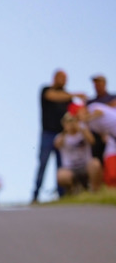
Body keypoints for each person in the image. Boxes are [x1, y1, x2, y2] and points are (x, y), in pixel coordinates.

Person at [33, 70, 87, 203]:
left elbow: (75, 112)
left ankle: (62, 196)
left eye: (65, 78)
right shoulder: (46, 90)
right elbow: (53, 96)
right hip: (47, 134)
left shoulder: (68, 97)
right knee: (43, 164)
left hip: (62, 135)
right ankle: (35, 195)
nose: (63, 80)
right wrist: (75, 94)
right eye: (61, 77)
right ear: (55, 78)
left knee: (61, 165)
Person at [53, 113, 96, 196]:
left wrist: (81, 127)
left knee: (95, 164)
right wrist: (66, 131)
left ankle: (94, 191)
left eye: (73, 120)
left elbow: (92, 141)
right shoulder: (61, 137)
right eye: (69, 121)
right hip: (70, 169)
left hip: (85, 166)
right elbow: (57, 145)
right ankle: (72, 192)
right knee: (61, 175)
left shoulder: (83, 133)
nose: (71, 123)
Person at [82, 99, 116, 189]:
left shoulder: (92, 107)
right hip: (112, 139)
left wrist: (85, 119)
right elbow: (101, 133)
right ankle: (110, 187)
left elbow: (99, 112)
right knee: (109, 162)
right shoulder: (91, 124)